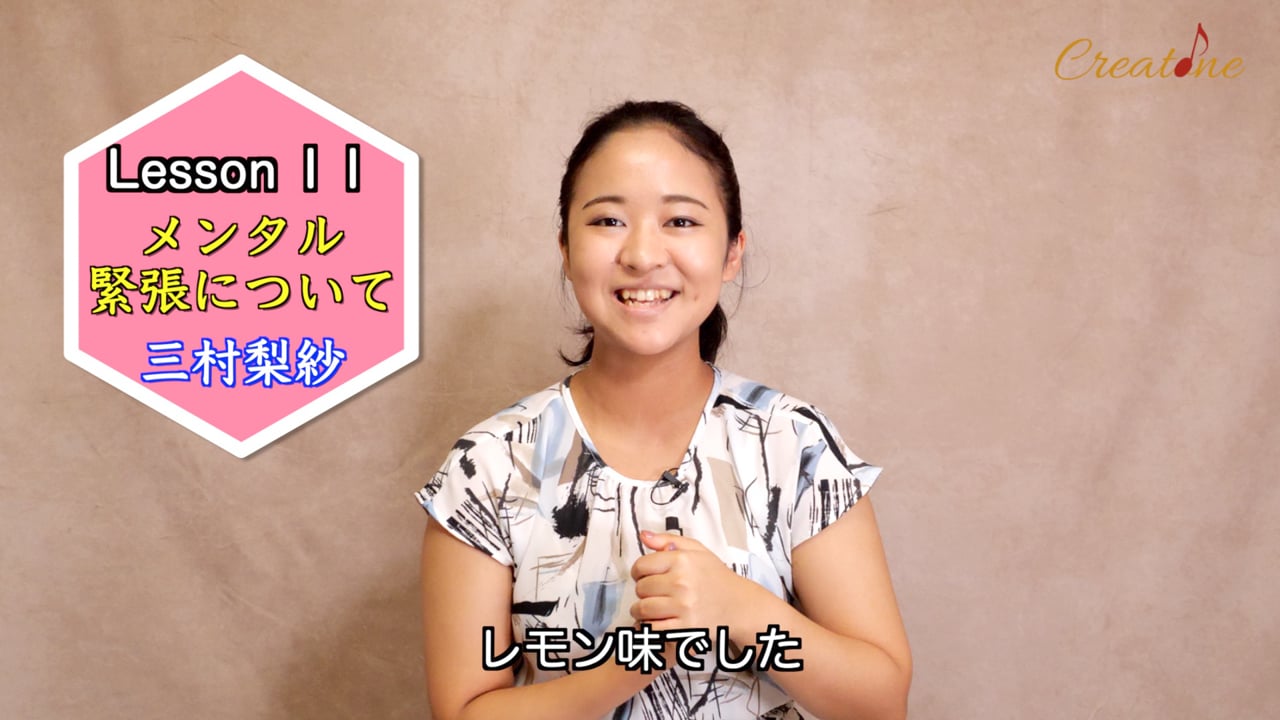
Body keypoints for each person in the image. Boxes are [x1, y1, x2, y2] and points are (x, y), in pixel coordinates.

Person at [417, 100, 911, 720]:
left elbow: (882, 702)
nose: (642, 254)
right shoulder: (488, 465)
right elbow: (464, 712)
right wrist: (632, 662)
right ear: (566, 248)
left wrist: (743, 610)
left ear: (732, 252)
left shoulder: (794, 444)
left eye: (680, 221)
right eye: (608, 221)